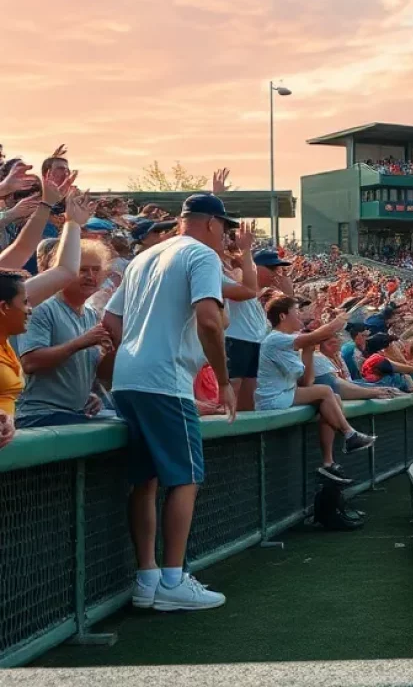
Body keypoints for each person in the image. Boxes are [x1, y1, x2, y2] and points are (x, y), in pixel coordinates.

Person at [102, 193, 240, 614]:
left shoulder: (145, 256)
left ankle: (147, 580)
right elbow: (210, 321)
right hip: (165, 382)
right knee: (185, 477)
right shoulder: (201, 256)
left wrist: (135, 357)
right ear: (213, 224)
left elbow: (110, 322)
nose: (227, 236)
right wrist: (223, 379)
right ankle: (174, 579)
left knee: (145, 479)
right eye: (226, 228)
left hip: (130, 378)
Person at [255, 292, 376, 482]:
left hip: (286, 393)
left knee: (332, 397)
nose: (301, 315)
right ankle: (349, 434)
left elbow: (306, 382)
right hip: (271, 399)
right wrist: (338, 321)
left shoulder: (290, 340)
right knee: (326, 391)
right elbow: (321, 333)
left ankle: (328, 463)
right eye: (296, 311)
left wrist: (309, 350)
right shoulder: (275, 338)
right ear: (282, 316)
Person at [15, 240, 115, 427]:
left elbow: (100, 373)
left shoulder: (91, 314)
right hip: (39, 414)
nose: (91, 276)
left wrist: (114, 349)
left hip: (75, 412)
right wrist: (81, 342)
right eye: (83, 270)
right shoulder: (42, 308)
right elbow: (30, 362)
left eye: (96, 270)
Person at [223, 238, 272, 412]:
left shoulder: (246, 274)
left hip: (254, 340)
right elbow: (240, 286)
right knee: (234, 384)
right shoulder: (234, 272)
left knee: (250, 390)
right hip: (236, 338)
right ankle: (226, 426)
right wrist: (242, 257)